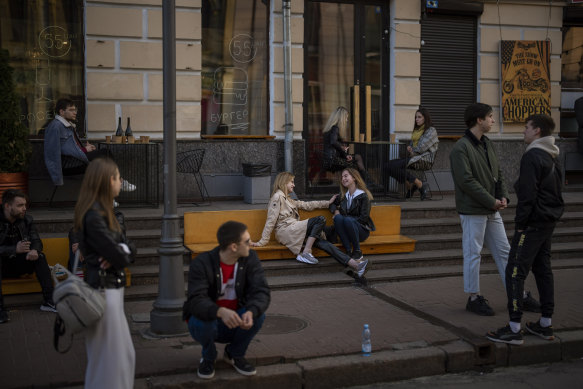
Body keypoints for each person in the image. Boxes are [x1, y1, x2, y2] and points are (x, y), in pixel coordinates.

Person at [450, 103, 540, 316]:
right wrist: (491, 200)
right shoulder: (460, 148)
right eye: (490, 117)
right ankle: (473, 297)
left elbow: (498, 172)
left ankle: (518, 293)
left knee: (505, 252)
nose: (493, 120)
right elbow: (466, 181)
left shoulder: (487, 144)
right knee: (473, 254)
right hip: (473, 210)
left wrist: (503, 196)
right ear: (478, 120)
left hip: (491, 208)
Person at [487, 114, 564, 345]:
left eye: (526, 127)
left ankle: (514, 327)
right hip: (547, 221)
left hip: (531, 224)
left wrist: (520, 225)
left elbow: (528, 195)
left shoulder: (532, 156)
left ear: (537, 131)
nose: (523, 131)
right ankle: (545, 323)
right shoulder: (553, 155)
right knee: (543, 270)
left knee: (514, 271)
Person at [74, 158, 135, 388]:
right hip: (103, 293)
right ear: (109, 181)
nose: (121, 182)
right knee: (110, 361)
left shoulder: (103, 212)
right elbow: (120, 255)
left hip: (111, 291)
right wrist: (123, 251)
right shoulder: (94, 216)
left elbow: (127, 248)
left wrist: (124, 249)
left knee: (121, 357)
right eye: (119, 177)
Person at [182, 221, 270, 379]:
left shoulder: (250, 259)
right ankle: (208, 357)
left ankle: (234, 353)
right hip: (210, 321)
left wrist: (251, 310)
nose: (251, 244)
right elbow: (196, 300)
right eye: (247, 241)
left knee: (258, 315)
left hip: (237, 319)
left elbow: (261, 291)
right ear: (233, 247)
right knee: (203, 319)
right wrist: (220, 312)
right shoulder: (202, 263)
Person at [252, 172, 369, 277]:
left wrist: (328, 203)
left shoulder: (288, 199)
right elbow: (270, 220)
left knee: (325, 244)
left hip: (295, 232)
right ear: (283, 182)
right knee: (320, 219)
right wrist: (262, 241)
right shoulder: (277, 197)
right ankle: (306, 252)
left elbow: (307, 205)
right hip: (286, 231)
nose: (294, 185)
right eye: (291, 182)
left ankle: (356, 266)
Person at [43, 98, 135, 191]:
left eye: (75, 110)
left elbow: (70, 147)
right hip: (68, 166)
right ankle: (118, 183)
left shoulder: (68, 125)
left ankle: (108, 196)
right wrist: (57, 178)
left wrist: (85, 148)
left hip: (77, 160)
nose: (75, 112)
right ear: (62, 112)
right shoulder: (56, 127)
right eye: (71, 110)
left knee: (103, 165)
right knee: (105, 154)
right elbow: (52, 153)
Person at [0, 189, 56, 324]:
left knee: (40, 257)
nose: (24, 209)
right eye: (20, 205)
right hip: (2, 266)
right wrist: (14, 249)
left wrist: (35, 250)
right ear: (7, 206)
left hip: (18, 264)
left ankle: (50, 301)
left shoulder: (27, 220)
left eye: (25, 205)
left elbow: (36, 240)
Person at [386, 108, 438, 200]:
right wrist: (410, 149)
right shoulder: (416, 130)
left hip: (424, 160)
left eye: (419, 117)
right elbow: (413, 146)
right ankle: (414, 184)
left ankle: (418, 184)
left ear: (425, 118)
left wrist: (411, 150)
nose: (416, 119)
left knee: (393, 166)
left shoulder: (431, 130)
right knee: (387, 166)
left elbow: (422, 148)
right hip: (414, 157)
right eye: (416, 117)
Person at [330, 168, 376, 264]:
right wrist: (336, 211)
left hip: (360, 231)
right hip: (347, 230)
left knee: (347, 220)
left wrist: (348, 220)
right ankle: (348, 251)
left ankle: (357, 251)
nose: (343, 179)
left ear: (354, 178)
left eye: (346, 176)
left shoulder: (363, 196)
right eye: (342, 177)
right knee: (338, 218)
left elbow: (364, 218)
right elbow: (332, 204)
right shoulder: (343, 196)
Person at [322, 107, 366, 177]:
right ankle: (366, 182)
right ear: (341, 118)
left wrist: (346, 156)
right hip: (333, 161)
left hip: (330, 160)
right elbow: (333, 142)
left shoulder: (331, 128)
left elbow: (336, 146)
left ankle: (364, 182)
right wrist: (342, 147)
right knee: (356, 162)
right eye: (346, 118)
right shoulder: (335, 128)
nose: (346, 120)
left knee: (357, 159)